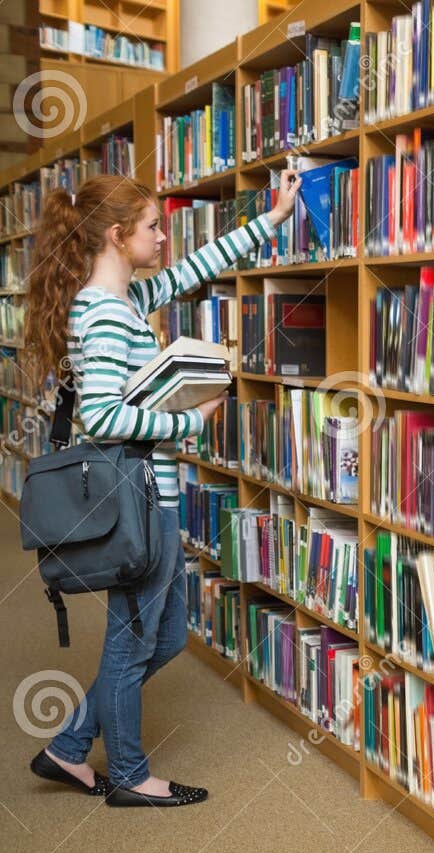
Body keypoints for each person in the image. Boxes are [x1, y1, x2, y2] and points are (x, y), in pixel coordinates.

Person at [22, 170, 300, 808]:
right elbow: (104, 417)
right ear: (119, 237)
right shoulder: (107, 315)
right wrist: (188, 422)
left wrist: (273, 218)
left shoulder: (122, 299)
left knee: (165, 634)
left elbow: (196, 268)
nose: (165, 235)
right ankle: (127, 774)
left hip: (150, 497)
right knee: (135, 638)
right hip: (137, 502)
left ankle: (68, 750)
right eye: (153, 226)